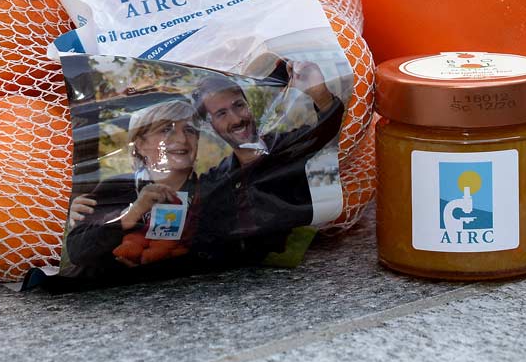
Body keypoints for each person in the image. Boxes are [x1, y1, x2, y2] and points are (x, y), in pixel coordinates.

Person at [191, 59, 344, 263]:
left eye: (239, 105)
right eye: (221, 114)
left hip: (309, 262)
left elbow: (332, 131)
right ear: (210, 126)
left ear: (249, 106)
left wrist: (319, 93)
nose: (236, 119)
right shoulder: (214, 181)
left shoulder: (288, 146)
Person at [61, 97, 204, 281]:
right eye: (166, 129)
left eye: (190, 130)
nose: (182, 138)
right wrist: (130, 215)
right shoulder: (116, 188)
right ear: (141, 144)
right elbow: (77, 250)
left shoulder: (209, 191)